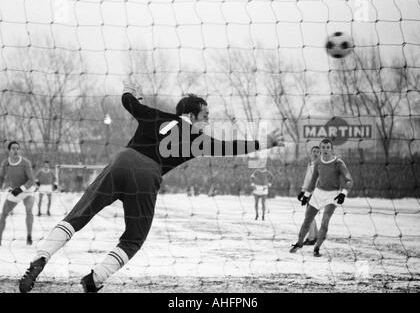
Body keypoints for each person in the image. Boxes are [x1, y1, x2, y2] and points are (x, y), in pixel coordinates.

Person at [19, 85, 284, 293]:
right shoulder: (198, 139)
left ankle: (41, 258)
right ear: (191, 115)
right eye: (206, 116)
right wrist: (265, 142)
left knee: (79, 214)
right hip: (147, 176)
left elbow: (128, 102)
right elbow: (231, 147)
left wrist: (130, 90)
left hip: (122, 160)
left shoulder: (156, 115)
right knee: (134, 238)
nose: (208, 121)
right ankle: (94, 280)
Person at [290, 138, 353, 257]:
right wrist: (306, 195)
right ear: (320, 149)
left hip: (332, 195)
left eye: (327, 147)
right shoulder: (318, 162)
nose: (325, 150)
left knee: (325, 221)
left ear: (331, 149)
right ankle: (299, 243)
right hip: (318, 194)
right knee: (307, 220)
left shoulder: (338, 163)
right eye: (323, 147)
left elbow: (349, 180)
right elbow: (313, 180)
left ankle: (317, 248)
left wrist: (343, 193)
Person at [0, 141, 36, 246]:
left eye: (17, 148)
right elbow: (1, 177)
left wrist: (21, 189)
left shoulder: (25, 163)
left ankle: (29, 237)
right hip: (14, 191)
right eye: (13, 148)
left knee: (29, 210)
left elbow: (32, 180)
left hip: (27, 190)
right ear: (9, 150)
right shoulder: (5, 163)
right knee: (3, 215)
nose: (16, 151)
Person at [296, 145, 320, 245]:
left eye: (317, 151)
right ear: (311, 153)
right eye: (314, 151)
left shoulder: (321, 165)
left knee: (309, 215)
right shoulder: (310, 164)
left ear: (320, 153)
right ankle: (315, 236)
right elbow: (307, 179)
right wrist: (303, 191)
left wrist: (307, 192)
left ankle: (311, 238)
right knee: (310, 215)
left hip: (316, 192)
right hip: (309, 192)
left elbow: (316, 181)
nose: (315, 153)